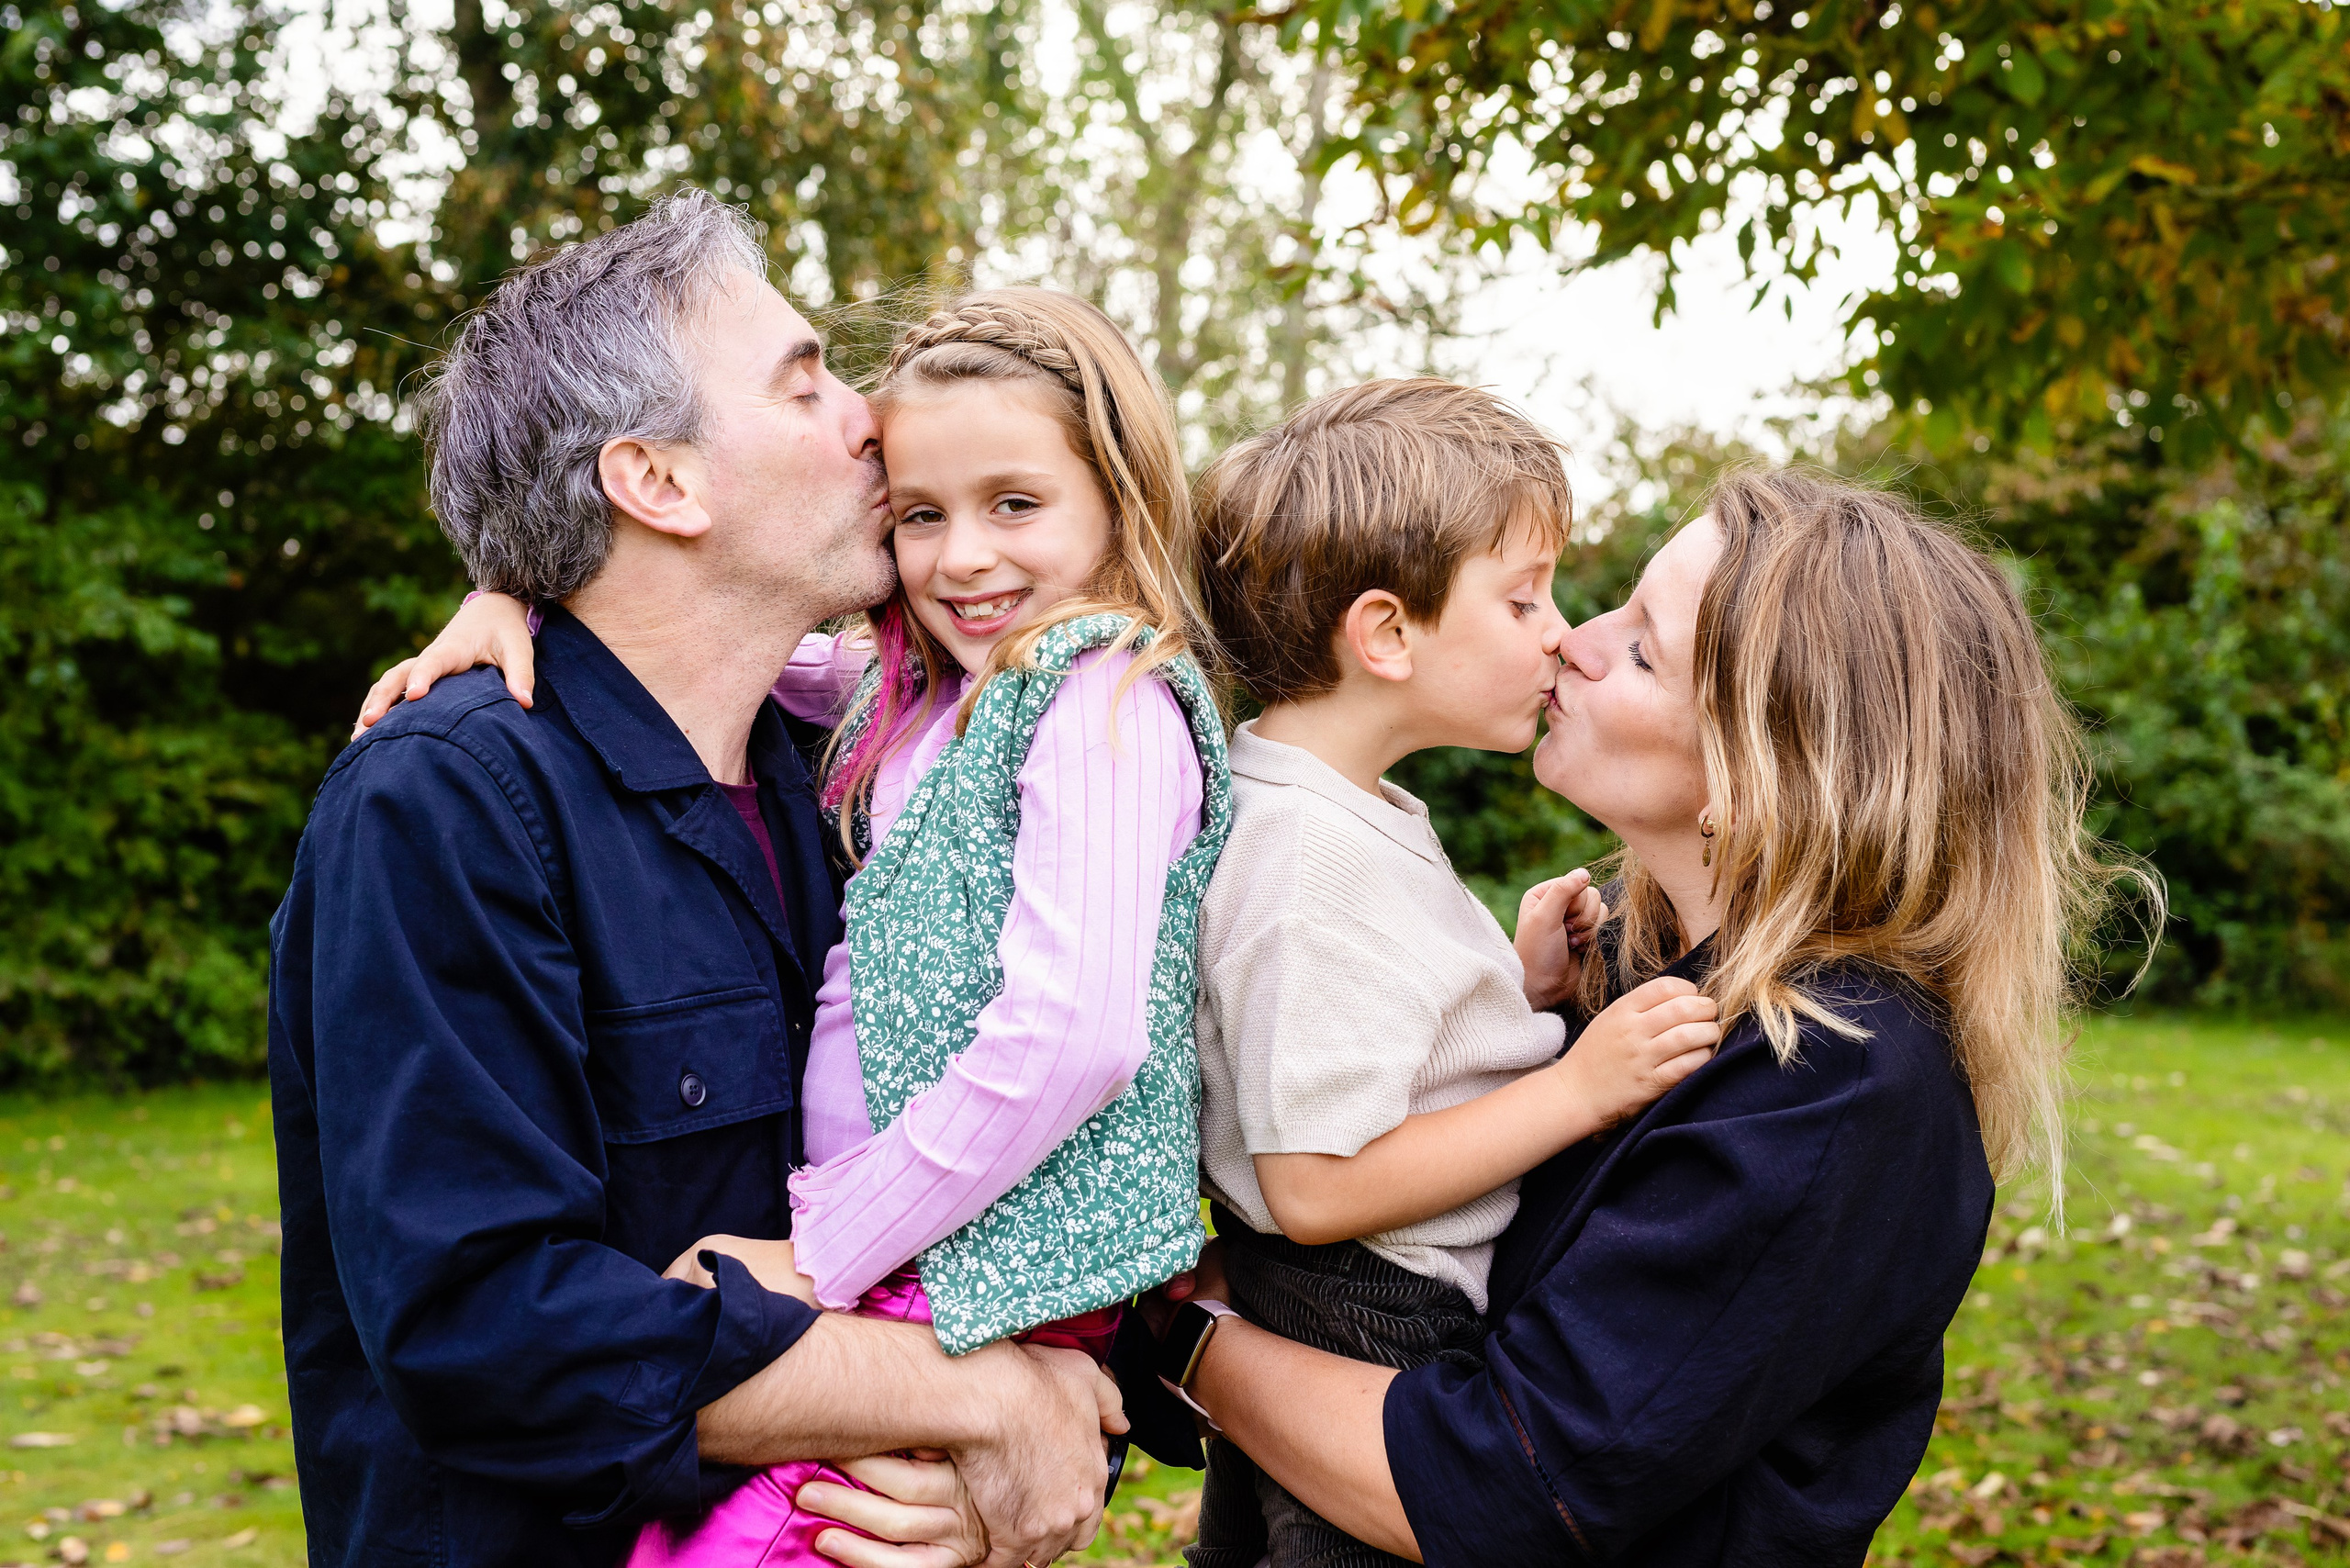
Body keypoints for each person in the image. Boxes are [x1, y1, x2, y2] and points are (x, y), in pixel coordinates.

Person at [273, 194, 1119, 1568]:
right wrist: (979, 1396)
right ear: (659, 483)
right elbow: (487, 1330)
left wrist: (1016, 1436)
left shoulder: (858, 777)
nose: (870, 417)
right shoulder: (445, 805)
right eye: (806, 381)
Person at [1148, 468, 2156, 1565]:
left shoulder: (1838, 1078)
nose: (1573, 640)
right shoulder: (1627, 955)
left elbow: (1505, 1490)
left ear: (1755, 771)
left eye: (1640, 650)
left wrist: (1191, 1338)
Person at [1174, 380, 1723, 1568]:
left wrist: (1509, 995)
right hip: (1366, 1301)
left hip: (1344, 1288)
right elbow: (1318, 1180)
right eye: (1523, 598)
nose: (1559, 634)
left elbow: (1362, 1050)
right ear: (1385, 635)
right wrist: (1575, 1089)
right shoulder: (1304, 856)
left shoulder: (1332, 806)